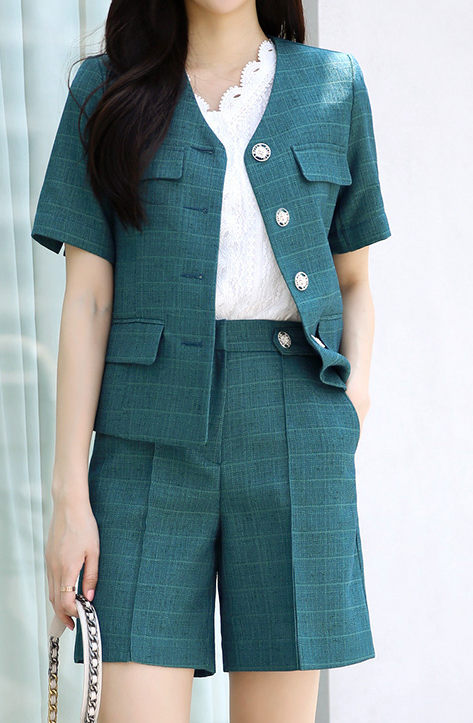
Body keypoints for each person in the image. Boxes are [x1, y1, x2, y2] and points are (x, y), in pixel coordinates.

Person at [32, 0, 391, 721]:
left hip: (294, 433)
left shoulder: (334, 86)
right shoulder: (104, 92)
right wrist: (70, 496)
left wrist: (348, 411)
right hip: (144, 445)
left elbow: (354, 280)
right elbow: (88, 300)